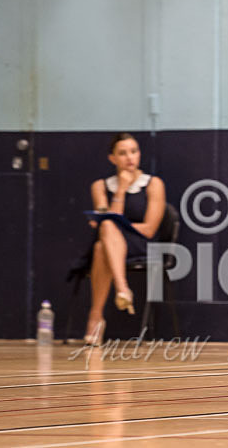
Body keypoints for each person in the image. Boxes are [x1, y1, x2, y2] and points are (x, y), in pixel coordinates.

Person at [84, 133, 166, 345]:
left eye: (133, 151)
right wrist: (121, 189)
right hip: (111, 244)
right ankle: (122, 289)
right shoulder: (100, 186)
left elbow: (149, 228)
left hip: (140, 244)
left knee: (107, 232)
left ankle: (96, 316)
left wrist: (113, 226)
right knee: (104, 241)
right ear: (112, 159)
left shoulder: (153, 184)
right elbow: (106, 220)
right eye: (122, 153)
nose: (129, 157)